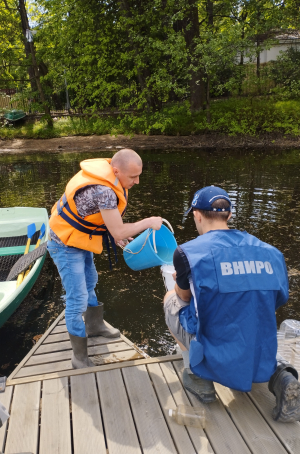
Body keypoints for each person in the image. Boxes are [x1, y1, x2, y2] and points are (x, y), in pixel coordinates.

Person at [163, 185, 300, 423]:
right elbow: (278, 298)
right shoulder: (271, 252)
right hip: (257, 340)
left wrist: (179, 284)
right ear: (229, 215)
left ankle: (199, 377)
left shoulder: (187, 253)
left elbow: (184, 298)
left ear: (197, 215)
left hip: (216, 344)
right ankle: (281, 376)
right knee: (250, 313)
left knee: (169, 300)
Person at [48, 149, 162, 369]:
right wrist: (148, 221)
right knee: (77, 299)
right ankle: (79, 358)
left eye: (139, 176)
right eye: (132, 177)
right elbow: (118, 231)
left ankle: (95, 326)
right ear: (116, 170)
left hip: (80, 238)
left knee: (91, 280)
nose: (137, 182)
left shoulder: (114, 179)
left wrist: (115, 231)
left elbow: (108, 223)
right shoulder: (104, 191)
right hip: (64, 243)